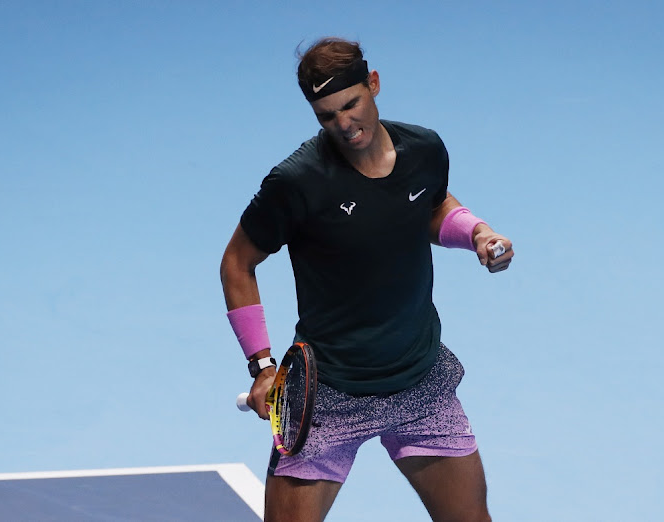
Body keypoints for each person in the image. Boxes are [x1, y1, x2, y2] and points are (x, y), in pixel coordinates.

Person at [220, 37, 513, 522]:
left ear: (373, 84)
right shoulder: (296, 183)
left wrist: (477, 233)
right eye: (326, 115)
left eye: (351, 104)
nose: (344, 124)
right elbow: (237, 263)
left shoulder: (424, 149)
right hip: (326, 393)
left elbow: (430, 206)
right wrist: (263, 367)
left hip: (419, 381)